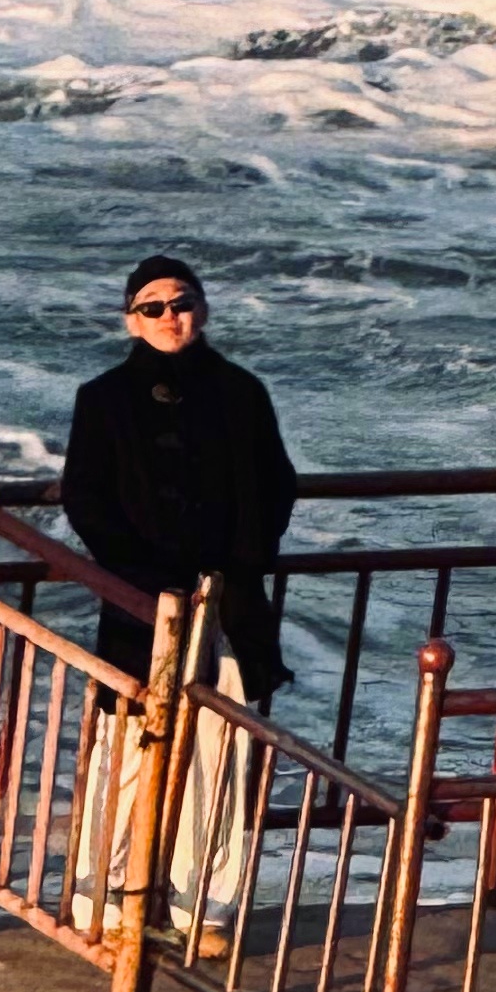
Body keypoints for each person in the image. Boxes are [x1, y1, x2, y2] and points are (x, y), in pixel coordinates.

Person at [60, 256, 299, 698]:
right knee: (139, 722)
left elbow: (276, 483)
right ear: (132, 322)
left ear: (202, 312)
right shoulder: (103, 397)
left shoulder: (242, 390)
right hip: (139, 598)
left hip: (233, 598)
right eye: (151, 307)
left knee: (230, 731)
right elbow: (84, 496)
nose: (168, 316)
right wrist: (136, 573)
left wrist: (246, 562)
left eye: (181, 303)